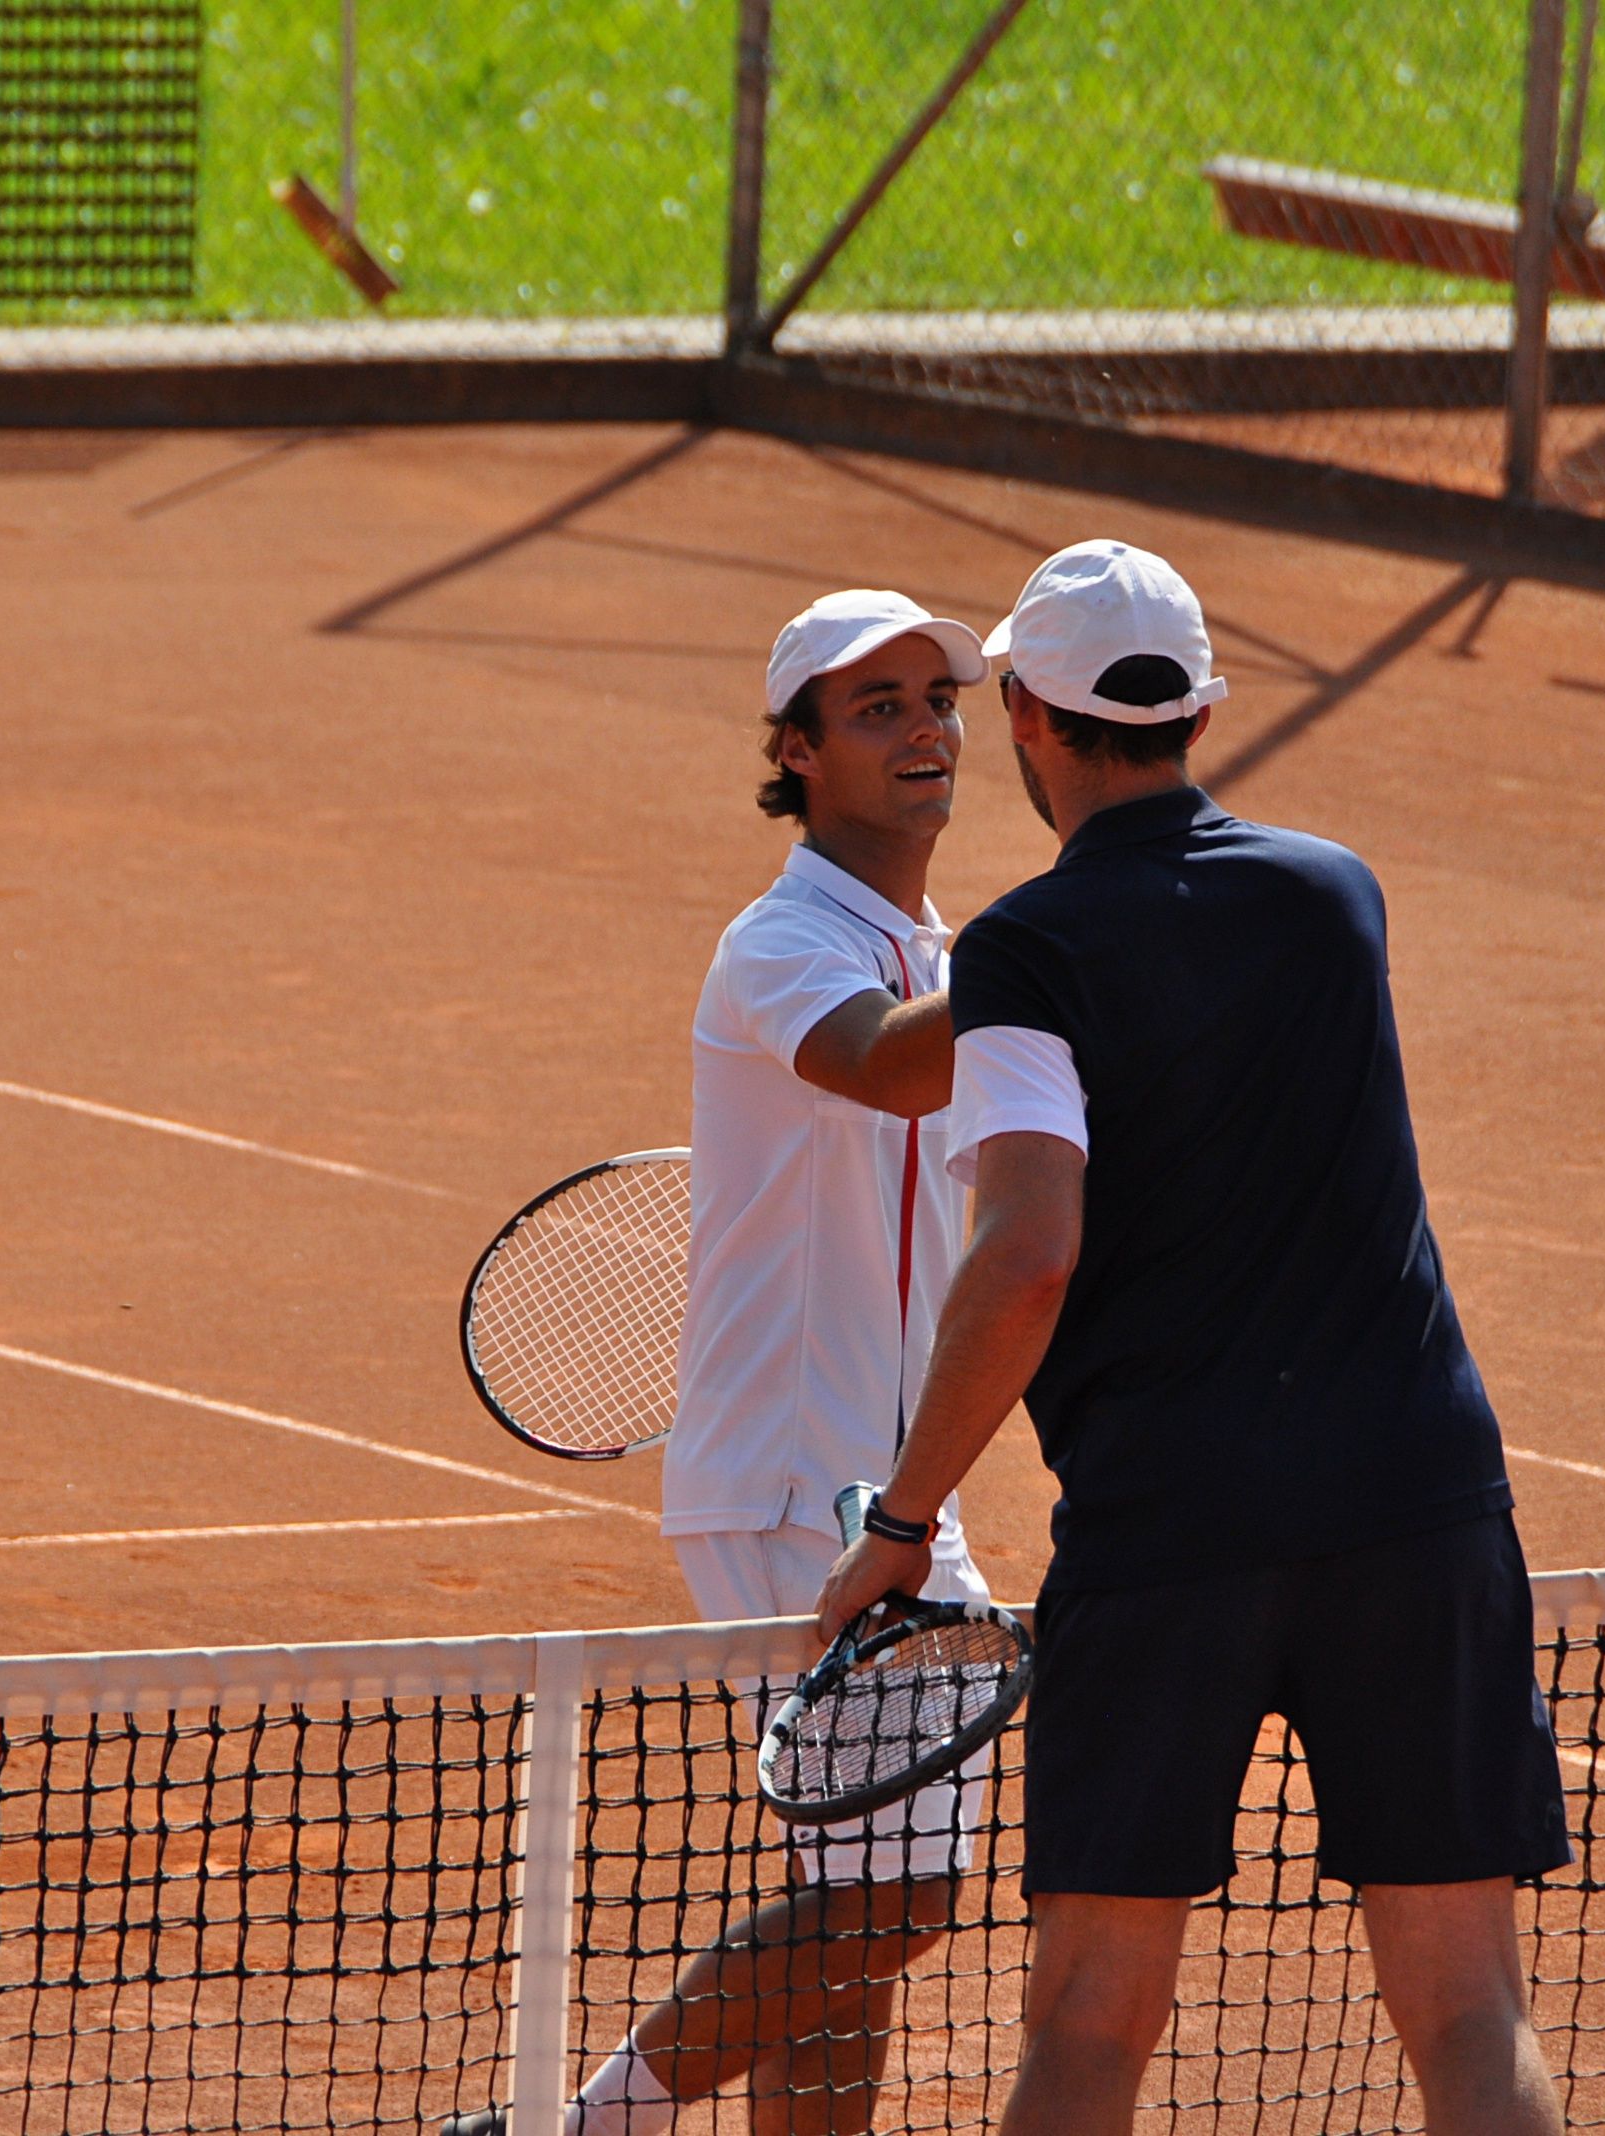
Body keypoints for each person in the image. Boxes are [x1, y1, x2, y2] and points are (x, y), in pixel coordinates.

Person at [815, 540, 1574, 2136]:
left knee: (1091, 2019)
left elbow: (1029, 1250)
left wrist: (903, 1520)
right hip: (1416, 1503)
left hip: (1174, 1523)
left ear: (1027, 715)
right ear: (1201, 714)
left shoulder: (1028, 950)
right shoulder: (1336, 894)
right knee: (1470, 2005)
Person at [456, 589, 998, 2136]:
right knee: (896, 1896)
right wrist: (1073, 957)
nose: (925, 730)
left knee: (858, 1924)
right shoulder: (783, 945)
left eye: (938, 700)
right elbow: (883, 1065)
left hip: (895, 1484)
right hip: (791, 1482)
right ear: (796, 752)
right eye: (878, 708)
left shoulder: (937, 947)